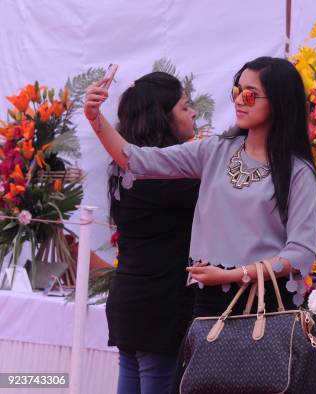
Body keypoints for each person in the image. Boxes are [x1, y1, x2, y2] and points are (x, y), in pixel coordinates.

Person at [85, 56, 316, 388]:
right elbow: (136, 159)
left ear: (280, 102)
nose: (239, 100)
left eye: (251, 94)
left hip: (267, 304)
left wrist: (233, 274)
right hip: (209, 300)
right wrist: (95, 119)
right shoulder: (216, 151)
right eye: (237, 91)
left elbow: (299, 253)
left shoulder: (298, 172)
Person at [92, 71, 201, 394]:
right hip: (160, 306)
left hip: (132, 299)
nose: (193, 112)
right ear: (162, 119)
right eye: (185, 107)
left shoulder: (125, 171)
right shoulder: (167, 176)